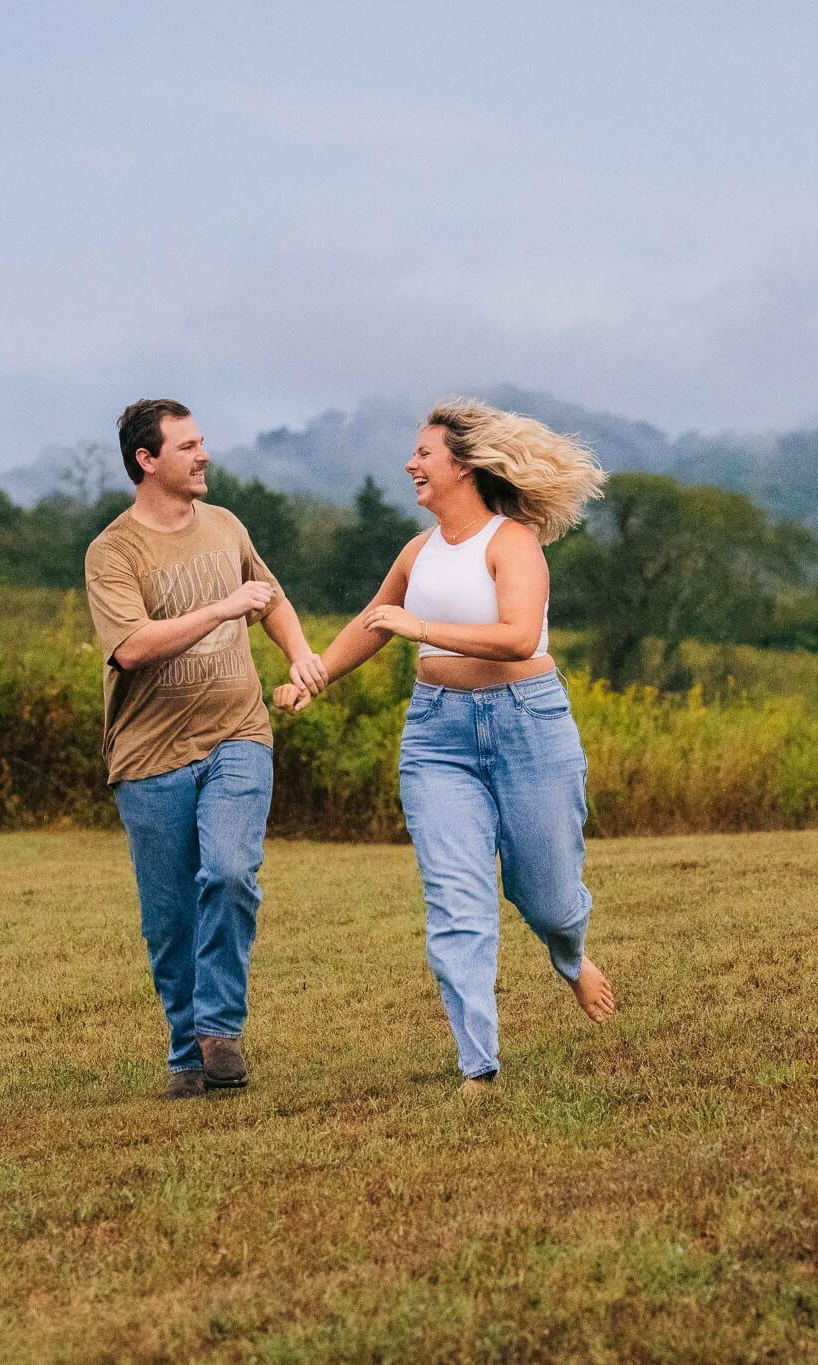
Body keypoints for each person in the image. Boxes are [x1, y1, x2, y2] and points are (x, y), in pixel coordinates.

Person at [275, 399, 614, 1094]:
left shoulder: (510, 541)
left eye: (423, 455)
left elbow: (520, 636)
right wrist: (315, 676)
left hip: (528, 725)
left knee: (545, 895)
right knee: (458, 902)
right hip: (437, 737)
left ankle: (571, 953)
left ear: (462, 465)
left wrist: (419, 623)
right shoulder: (417, 552)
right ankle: (478, 1066)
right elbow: (374, 623)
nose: (410, 465)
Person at [85, 398, 329, 1099]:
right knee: (170, 921)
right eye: (188, 445)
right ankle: (188, 1053)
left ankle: (219, 1029)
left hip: (238, 732)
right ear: (147, 460)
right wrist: (222, 608)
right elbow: (130, 648)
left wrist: (300, 654)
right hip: (149, 754)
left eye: (203, 441)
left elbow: (270, 596)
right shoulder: (114, 551)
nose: (204, 454)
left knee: (227, 872)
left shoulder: (225, 525)